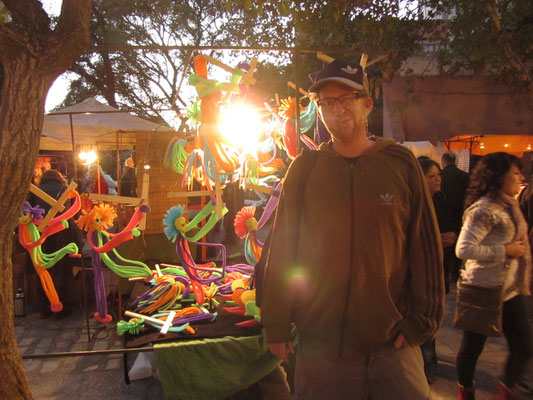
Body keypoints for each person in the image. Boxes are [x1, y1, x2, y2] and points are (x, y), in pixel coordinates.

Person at [260, 59, 445, 399]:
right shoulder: (305, 169)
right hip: (322, 348)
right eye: (327, 103)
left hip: (392, 342)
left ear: (367, 104)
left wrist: (423, 320)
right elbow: (282, 248)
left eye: (346, 98)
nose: (337, 109)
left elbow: (424, 246)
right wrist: (275, 321)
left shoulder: (400, 164)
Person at [454, 152, 532, 400]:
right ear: (498, 177)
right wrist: (505, 250)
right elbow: (463, 249)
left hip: (510, 289)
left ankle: (506, 392)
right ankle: (465, 392)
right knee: (472, 348)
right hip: (483, 287)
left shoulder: (510, 204)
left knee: (525, 345)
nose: (520, 177)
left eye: (520, 172)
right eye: (514, 174)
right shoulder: (484, 209)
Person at [418, 157, 457, 383]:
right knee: (426, 318)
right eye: (431, 176)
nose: (437, 179)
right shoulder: (414, 203)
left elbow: (451, 224)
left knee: (435, 316)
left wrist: (451, 236)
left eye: (438, 175)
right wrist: (436, 241)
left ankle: (429, 362)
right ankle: (426, 366)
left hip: (441, 267)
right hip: (424, 269)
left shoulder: (440, 200)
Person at [441, 151, 470, 281]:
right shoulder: (465, 176)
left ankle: (446, 272)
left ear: (443, 161)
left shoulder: (440, 176)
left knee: (446, 247)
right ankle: (456, 271)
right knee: (459, 241)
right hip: (461, 215)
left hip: (445, 217)